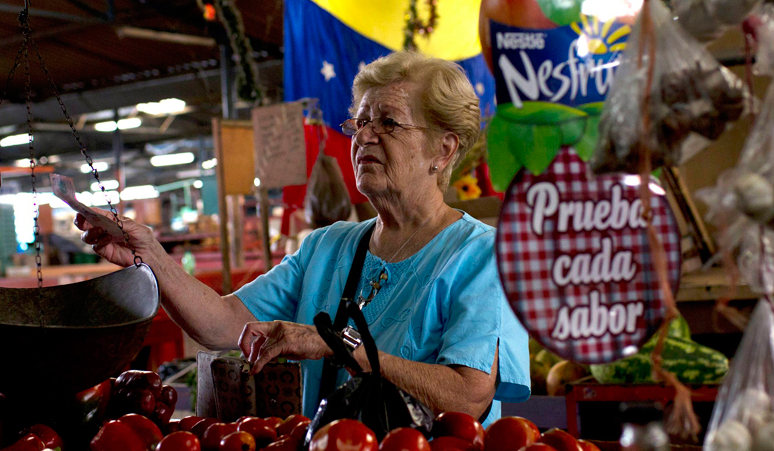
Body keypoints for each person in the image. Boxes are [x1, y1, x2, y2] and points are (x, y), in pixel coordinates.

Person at [77, 52, 530, 423]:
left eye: (388, 123)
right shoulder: (328, 246)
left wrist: (338, 344)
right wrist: (150, 255)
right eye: (359, 122)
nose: (364, 136)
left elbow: (469, 397)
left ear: (443, 149)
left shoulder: (481, 254)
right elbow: (221, 325)